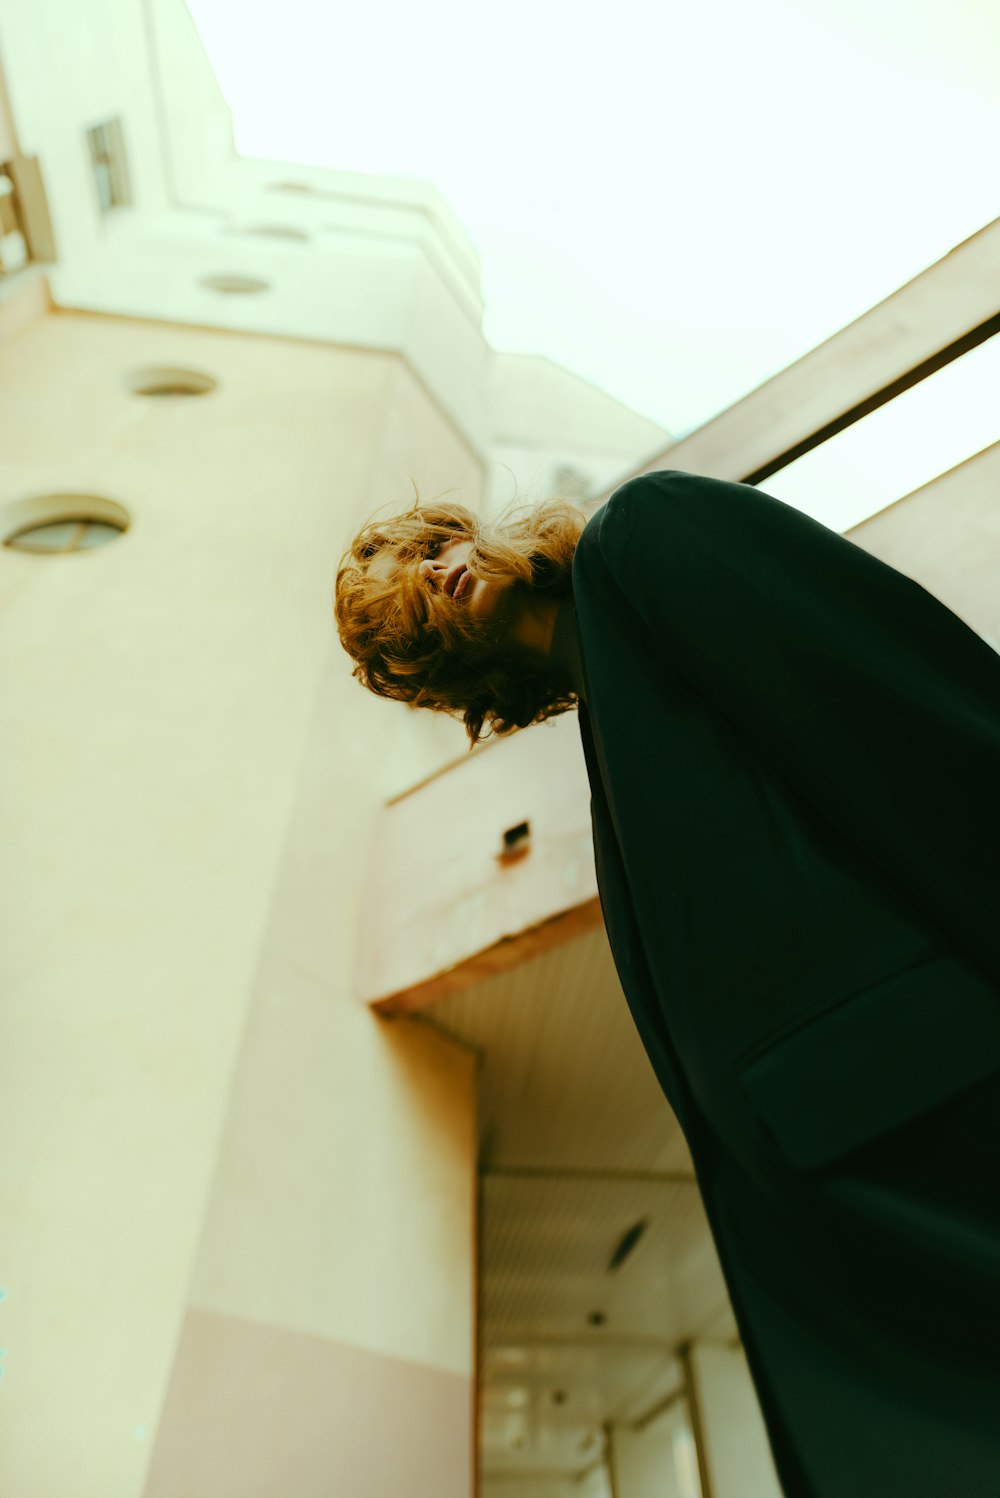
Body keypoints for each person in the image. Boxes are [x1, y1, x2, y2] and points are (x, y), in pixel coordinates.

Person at [335, 469, 1000, 1497]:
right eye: (413, 605)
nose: (439, 573)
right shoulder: (609, 718)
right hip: (840, 1194)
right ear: (441, 672)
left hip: (934, 1108)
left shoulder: (647, 538)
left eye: (433, 550)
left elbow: (909, 723)